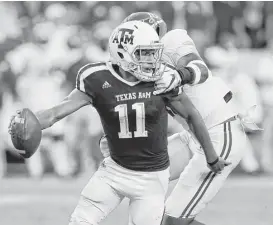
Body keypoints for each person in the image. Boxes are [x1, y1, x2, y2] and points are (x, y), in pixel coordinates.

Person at [9, 21, 229, 225]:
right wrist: (34, 121)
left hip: (151, 179)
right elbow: (59, 111)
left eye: (153, 54)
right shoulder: (97, 78)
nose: (151, 61)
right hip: (114, 172)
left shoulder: (163, 79)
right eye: (144, 54)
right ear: (123, 53)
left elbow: (191, 115)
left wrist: (211, 156)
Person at [117, 12, 251, 225]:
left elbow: (200, 69)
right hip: (193, 135)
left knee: (173, 223)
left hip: (219, 132)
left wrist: (180, 75)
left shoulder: (172, 40)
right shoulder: (140, 69)